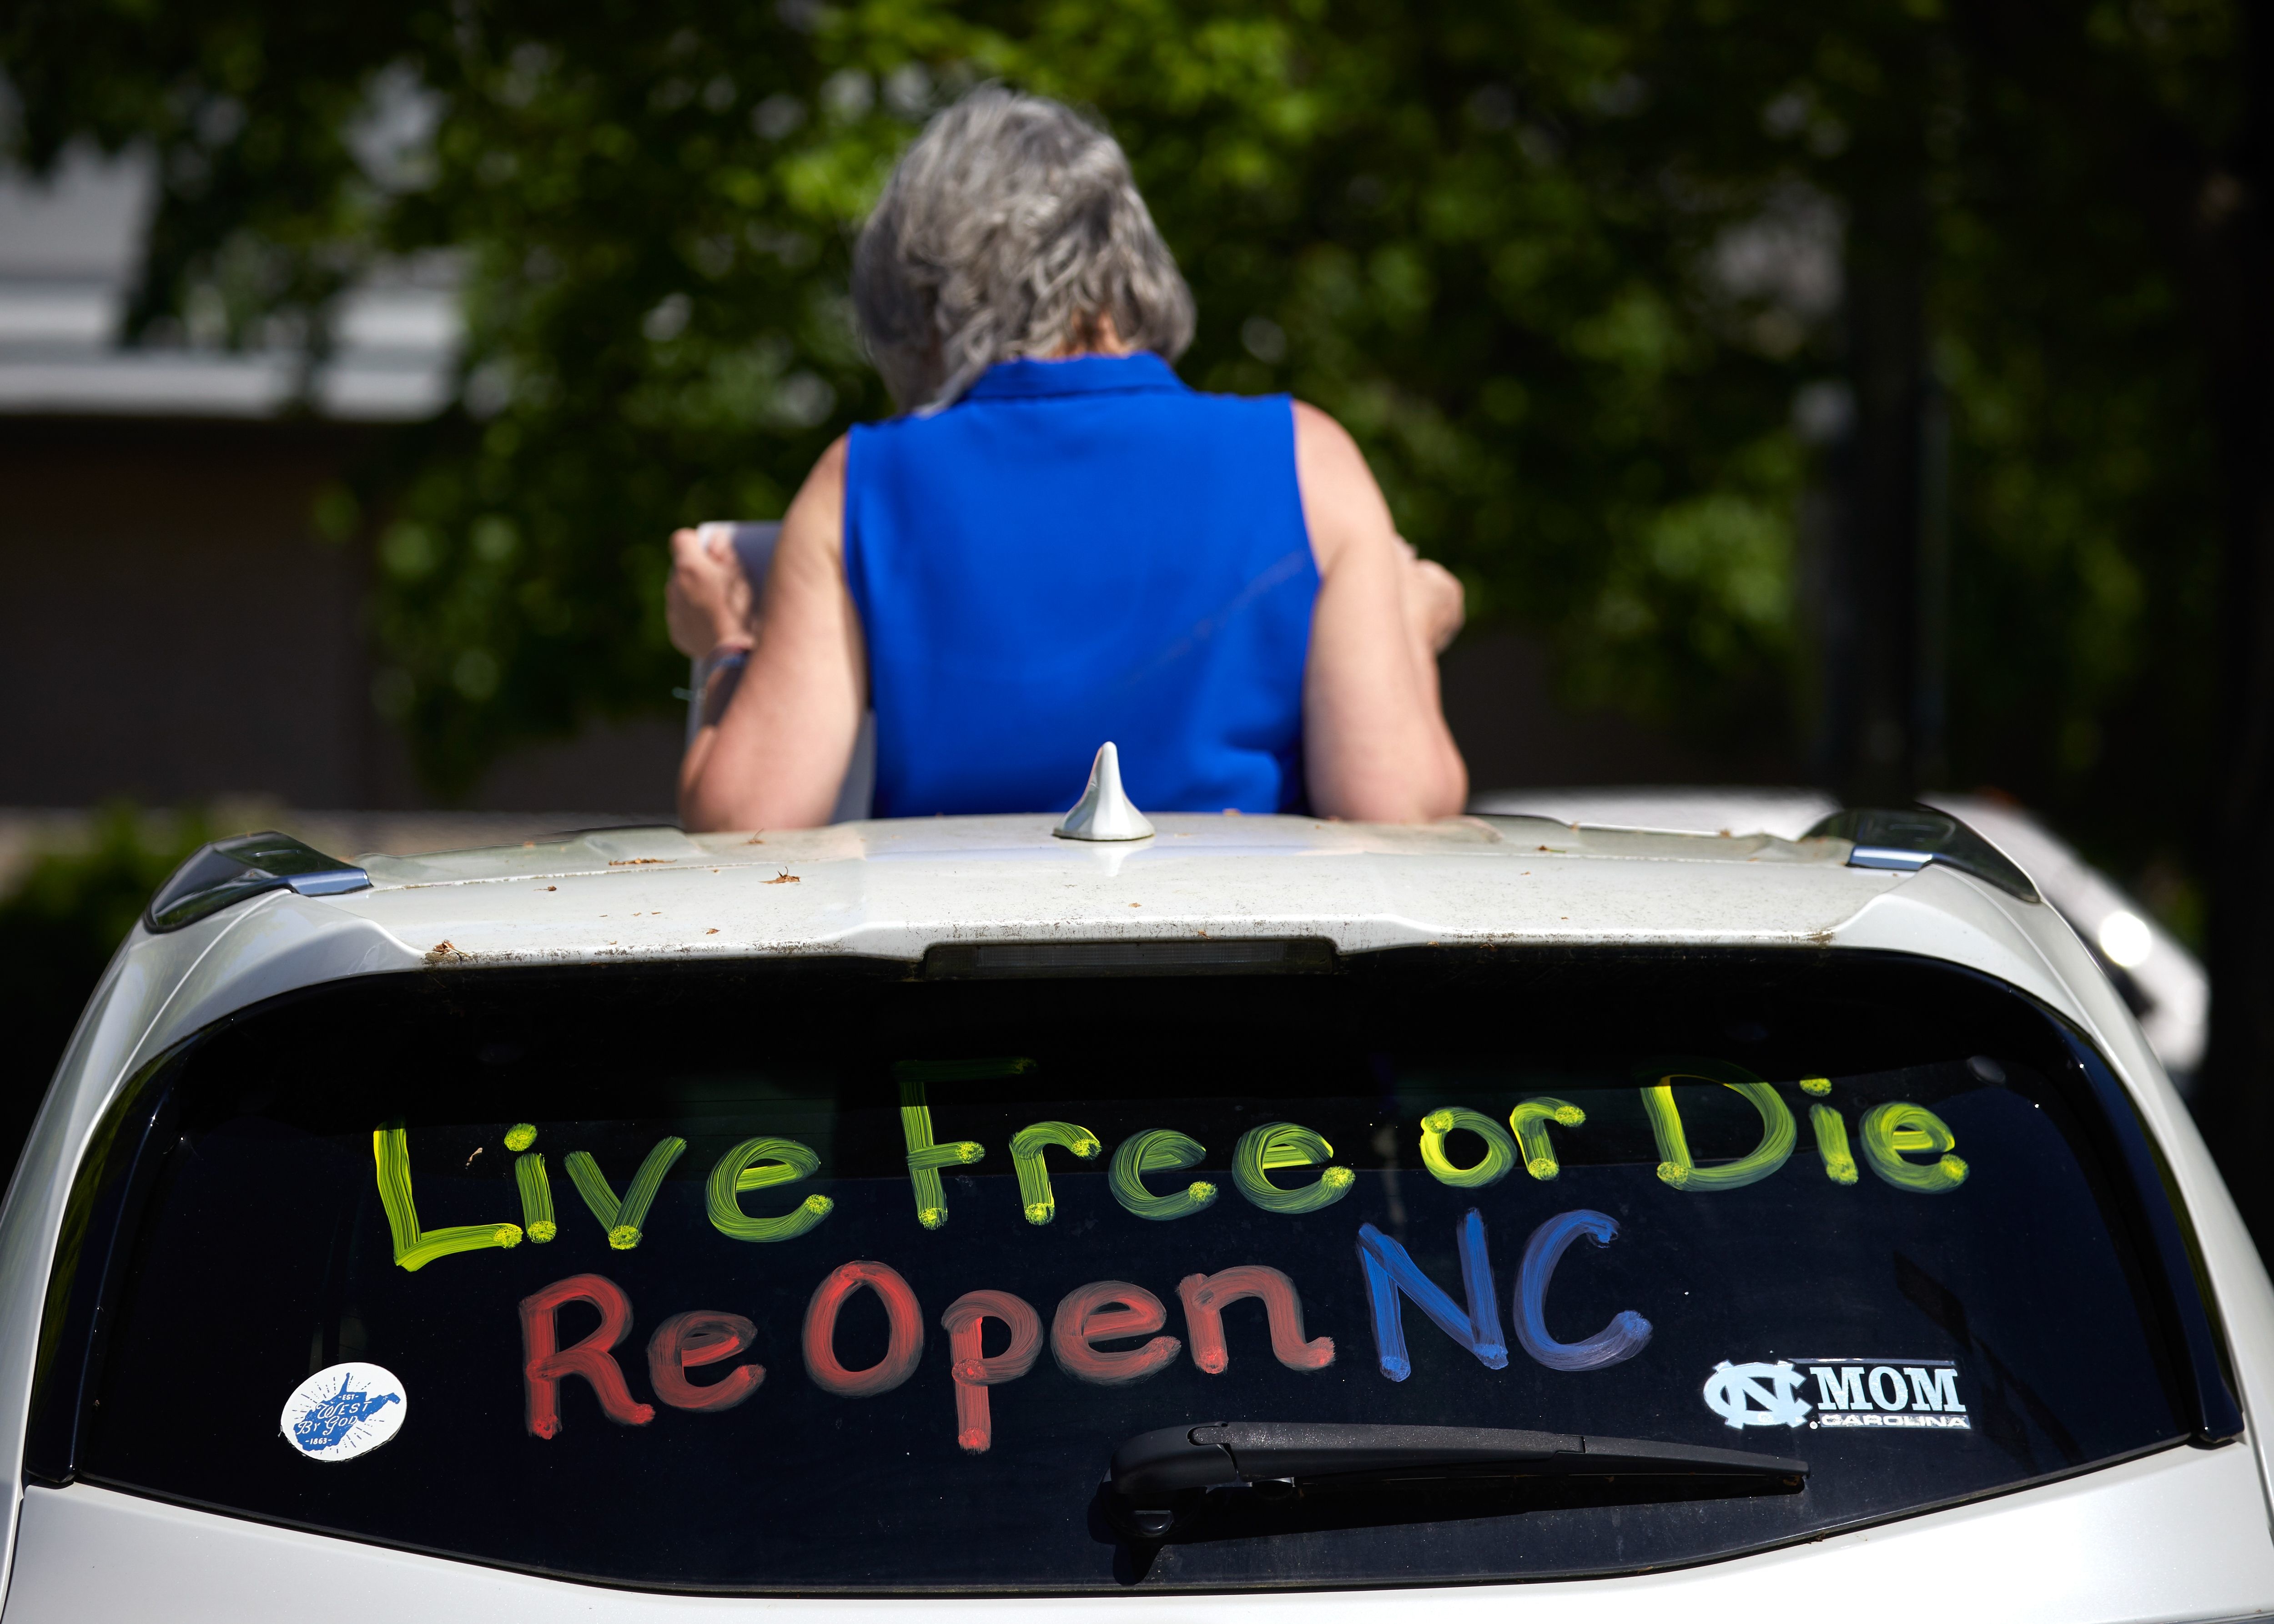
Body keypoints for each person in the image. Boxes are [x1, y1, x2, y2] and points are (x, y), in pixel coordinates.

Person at [668, 85, 1467, 830]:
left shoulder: (863, 480)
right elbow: (1395, 806)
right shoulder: (1309, 460)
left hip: (958, 934)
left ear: (920, 289)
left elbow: (747, 824)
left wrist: (729, 645)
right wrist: (1408, 630)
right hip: (1252, 931)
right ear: (1130, 257)